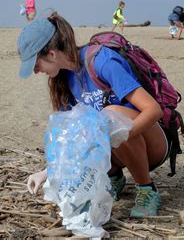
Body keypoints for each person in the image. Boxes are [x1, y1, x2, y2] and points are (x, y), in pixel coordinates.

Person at [19, 13, 169, 217]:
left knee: (110, 117)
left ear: (52, 54)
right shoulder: (63, 79)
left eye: (37, 65)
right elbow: (72, 136)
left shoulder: (102, 62)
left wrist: (120, 134)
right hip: (116, 149)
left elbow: (153, 110)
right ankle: (114, 178)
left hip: (152, 144)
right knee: (82, 126)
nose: (37, 72)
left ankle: (146, 189)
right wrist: (47, 172)